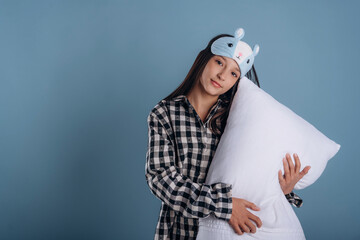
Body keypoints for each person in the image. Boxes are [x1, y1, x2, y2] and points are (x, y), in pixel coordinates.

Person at [145, 28, 311, 240]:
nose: (222, 75)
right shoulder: (164, 113)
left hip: (228, 233)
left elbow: (252, 175)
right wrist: (225, 205)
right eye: (219, 62)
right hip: (180, 232)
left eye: (234, 73)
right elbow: (160, 178)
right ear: (204, 60)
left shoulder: (239, 117)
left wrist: (284, 191)